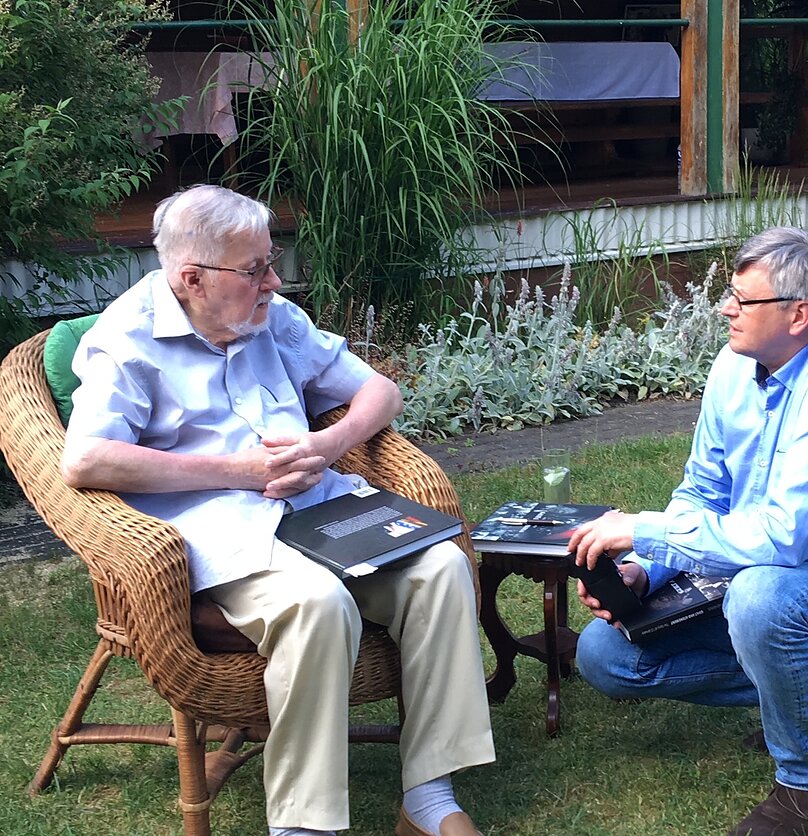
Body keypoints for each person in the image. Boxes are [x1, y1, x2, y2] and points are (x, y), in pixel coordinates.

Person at [60, 185, 493, 836]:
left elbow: (380, 391)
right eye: (255, 269)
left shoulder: (274, 318)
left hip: (321, 510)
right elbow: (86, 460)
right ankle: (302, 827)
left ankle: (428, 802)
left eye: (271, 261)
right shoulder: (126, 340)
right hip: (222, 534)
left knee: (441, 569)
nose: (273, 281)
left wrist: (329, 444)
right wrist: (238, 472)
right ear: (193, 279)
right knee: (317, 603)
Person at [568, 227, 808, 836]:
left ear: (799, 314)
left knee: (762, 597)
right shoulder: (733, 366)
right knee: (605, 655)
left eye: (743, 300)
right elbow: (703, 493)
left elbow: (781, 540)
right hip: (771, 583)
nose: (725, 309)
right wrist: (647, 573)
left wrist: (641, 530)